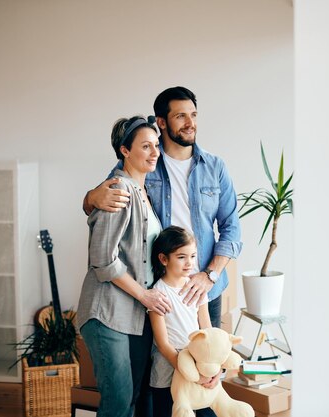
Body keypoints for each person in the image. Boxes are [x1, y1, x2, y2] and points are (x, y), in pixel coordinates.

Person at [83, 86, 242, 328]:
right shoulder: (145, 162)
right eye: (180, 116)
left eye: (194, 115)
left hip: (205, 290)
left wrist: (209, 276)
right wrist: (91, 196)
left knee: (209, 360)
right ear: (162, 122)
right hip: (160, 291)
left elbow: (232, 229)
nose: (190, 123)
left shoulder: (215, 166)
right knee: (163, 363)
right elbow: (102, 198)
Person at [77, 115, 170, 417]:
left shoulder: (142, 191)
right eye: (146, 146)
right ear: (124, 150)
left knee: (130, 401)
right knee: (118, 403)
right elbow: (103, 259)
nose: (155, 152)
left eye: (156, 145)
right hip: (107, 313)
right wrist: (145, 296)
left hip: (132, 316)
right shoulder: (119, 190)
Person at [148, 226, 218, 417]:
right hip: (168, 370)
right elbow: (162, 343)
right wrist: (190, 372)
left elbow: (207, 330)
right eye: (181, 257)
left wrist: (210, 370)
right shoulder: (158, 293)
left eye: (193, 256)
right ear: (164, 259)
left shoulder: (196, 288)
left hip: (197, 361)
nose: (189, 263)